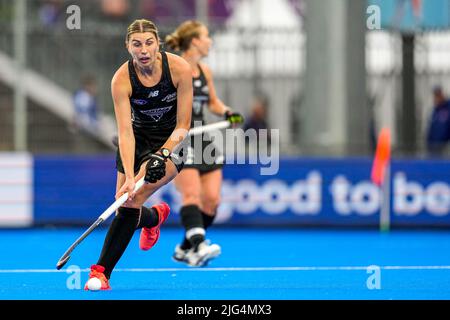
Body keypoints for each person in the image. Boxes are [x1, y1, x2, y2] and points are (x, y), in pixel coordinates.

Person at [84, 19, 193, 290]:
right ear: (127, 46)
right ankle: (155, 217)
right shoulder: (121, 79)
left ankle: (100, 272)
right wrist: (131, 176)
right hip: (137, 139)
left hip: (172, 141)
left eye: (148, 43)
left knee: (130, 204)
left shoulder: (179, 69)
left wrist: (163, 154)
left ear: (158, 43)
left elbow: (183, 125)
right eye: (136, 44)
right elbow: (125, 133)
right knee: (124, 199)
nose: (143, 50)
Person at [165, 20, 243, 267]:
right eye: (206, 36)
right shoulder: (174, 68)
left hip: (202, 137)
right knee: (191, 195)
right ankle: (199, 246)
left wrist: (227, 112)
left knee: (212, 200)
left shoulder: (204, 71)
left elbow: (212, 102)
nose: (210, 41)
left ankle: (184, 248)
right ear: (195, 41)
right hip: (179, 136)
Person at [426, 86, 450, 157]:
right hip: (433, 146)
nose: (437, 98)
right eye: (435, 95)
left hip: (444, 147)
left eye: (438, 95)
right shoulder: (435, 111)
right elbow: (431, 128)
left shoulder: (448, 108)